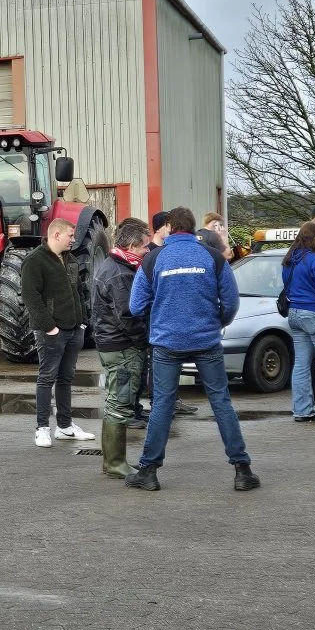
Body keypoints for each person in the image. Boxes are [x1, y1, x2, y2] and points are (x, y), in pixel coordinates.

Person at [126, 207, 259, 492]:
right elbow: (231, 302)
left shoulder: (152, 259)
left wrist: (160, 316)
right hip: (206, 341)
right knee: (221, 402)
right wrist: (216, 322)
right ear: (193, 226)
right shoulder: (212, 257)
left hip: (166, 343)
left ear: (171, 227)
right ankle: (242, 470)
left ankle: (148, 471)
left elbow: (136, 305)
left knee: (162, 404)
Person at [20, 218, 96, 447]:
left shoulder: (70, 259)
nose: (73, 240)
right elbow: (30, 296)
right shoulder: (35, 261)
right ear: (56, 235)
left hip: (74, 329)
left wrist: (82, 322)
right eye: (70, 236)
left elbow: (80, 291)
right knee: (47, 378)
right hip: (51, 331)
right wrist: (49, 327)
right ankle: (42, 428)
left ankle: (64, 427)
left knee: (66, 378)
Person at [90, 220, 152, 478]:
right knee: (119, 404)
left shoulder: (113, 265)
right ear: (133, 245)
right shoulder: (121, 273)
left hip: (112, 343)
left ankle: (113, 461)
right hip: (122, 347)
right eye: (146, 246)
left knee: (117, 401)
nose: (148, 251)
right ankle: (115, 463)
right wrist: (144, 339)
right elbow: (128, 316)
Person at [132, 211, 199, 425]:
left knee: (171, 364)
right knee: (156, 365)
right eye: (170, 225)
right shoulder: (151, 254)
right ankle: (159, 404)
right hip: (155, 320)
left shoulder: (167, 251)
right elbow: (139, 296)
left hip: (169, 322)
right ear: (163, 227)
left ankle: (172, 401)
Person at [282, 222, 315, 422]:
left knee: (301, 364)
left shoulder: (290, 260)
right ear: (312, 238)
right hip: (314, 313)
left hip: (294, 314)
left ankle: (302, 410)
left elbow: (286, 288)